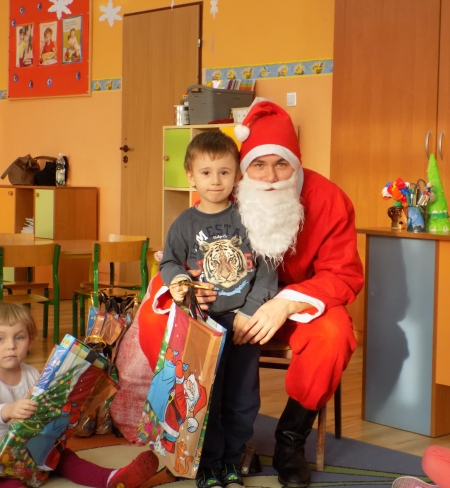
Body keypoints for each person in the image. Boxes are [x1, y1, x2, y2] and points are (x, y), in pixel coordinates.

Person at [138, 101, 363, 488]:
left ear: (297, 164)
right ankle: (191, 423)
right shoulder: (224, 188)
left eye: (282, 164)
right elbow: (186, 255)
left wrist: (284, 303)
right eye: (259, 164)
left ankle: (290, 442)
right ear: (242, 168)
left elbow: (343, 273)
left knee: (334, 333)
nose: (271, 176)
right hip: (226, 305)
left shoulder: (330, 200)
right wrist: (178, 287)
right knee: (154, 316)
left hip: (298, 306)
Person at [156, 131, 278, 488]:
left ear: (237, 175)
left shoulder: (250, 219)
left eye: (224, 172)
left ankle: (232, 459)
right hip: (203, 326)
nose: (215, 180)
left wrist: (250, 312)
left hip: (243, 324)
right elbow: (169, 263)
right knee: (204, 397)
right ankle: (209, 464)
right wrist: (179, 281)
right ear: (190, 176)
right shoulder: (184, 223)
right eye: (206, 172)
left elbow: (268, 270)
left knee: (243, 399)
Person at [0, 302, 158, 488]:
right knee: (9, 483)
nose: (11, 346)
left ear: (30, 339)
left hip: (33, 449)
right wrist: (8, 411)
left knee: (64, 457)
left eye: (19, 337)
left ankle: (110, 478)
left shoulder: (33, 374)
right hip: (2, 461)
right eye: (1, 339)